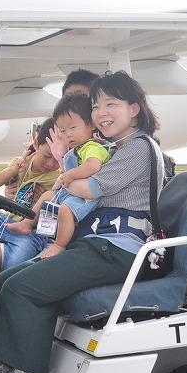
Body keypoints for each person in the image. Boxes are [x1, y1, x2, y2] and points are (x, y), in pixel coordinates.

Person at [0, 71, 163, 373]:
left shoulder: (138, 149)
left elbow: (86, 189)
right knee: (6, 282)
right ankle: (5, 367)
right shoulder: (115, 148)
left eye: (112, 104)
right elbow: (71, 186)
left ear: (134, 109)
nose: (101, 112)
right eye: (96, 106)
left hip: (119, 249)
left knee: (24, 289)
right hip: (96, 245)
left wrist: (70, 178)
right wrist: (68, 168)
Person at [0, 118, 61, 326]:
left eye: (56, 159)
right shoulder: (22, 164)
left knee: (12, 272)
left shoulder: (57, 176)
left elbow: (53, 203)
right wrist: (15, 170)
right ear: (35, 143)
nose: (50, 163)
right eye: (47, 156)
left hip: (28, 233)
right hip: (5, 222)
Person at [37, 94, 112, 259]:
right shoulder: (76, 150)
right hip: (73, 190)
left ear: (91, 124)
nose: (68, 135)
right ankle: (28, 224)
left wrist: (70, 175)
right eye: (63, 131)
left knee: (65, 210)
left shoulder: (92, 147)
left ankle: (59, 245)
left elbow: (93, 165)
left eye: (73, 128)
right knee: (47, 197)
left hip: (87, 197)